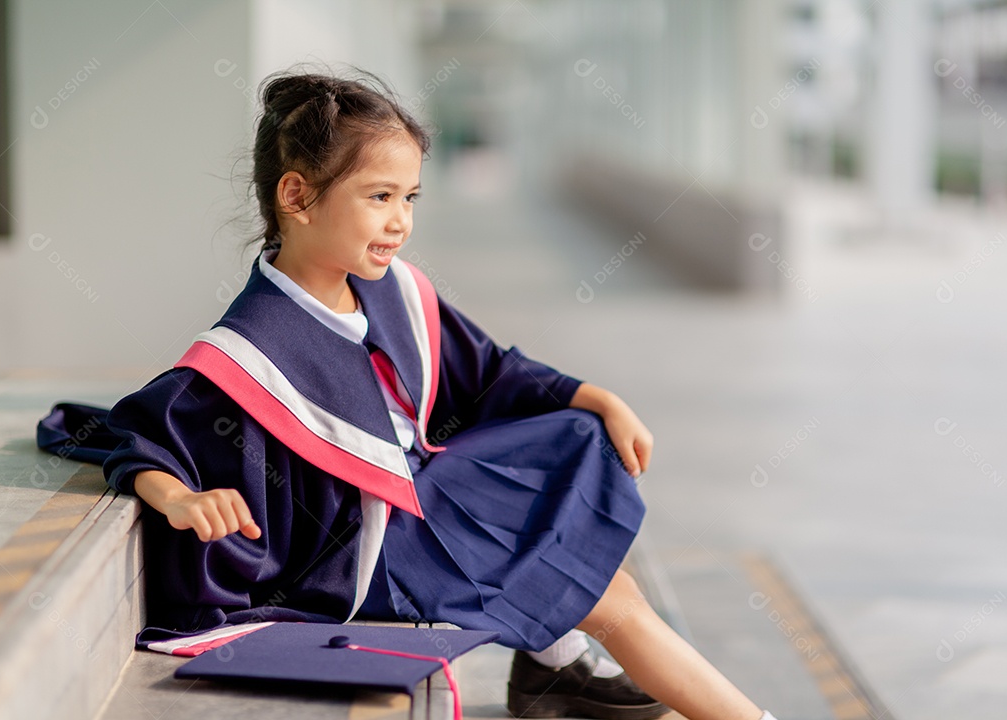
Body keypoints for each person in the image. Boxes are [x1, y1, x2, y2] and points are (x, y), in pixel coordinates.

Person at [99, 69, 778, 720]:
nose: (400, 222)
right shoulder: (247, 353)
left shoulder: (394, 291)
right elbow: (140, 434)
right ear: (297, 196)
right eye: (378, 197)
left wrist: (594, 395)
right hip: (373, 553)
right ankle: (576, 663)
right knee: (612, 597)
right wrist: (180, 496)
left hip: (430, 502)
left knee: (575, 440)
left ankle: (552, 657)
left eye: (409, 198)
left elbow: (487, 374)